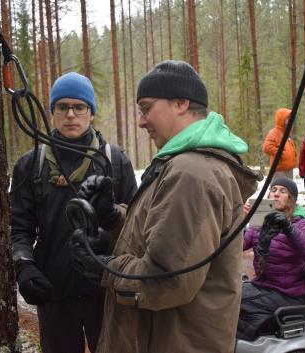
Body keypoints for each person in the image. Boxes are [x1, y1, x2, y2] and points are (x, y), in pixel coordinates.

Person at [69, 60, 263, 353]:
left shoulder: (192, 173)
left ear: (181, 103)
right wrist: (113, 217)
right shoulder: (184, 164)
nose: (141, 121)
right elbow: (168, 239)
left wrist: (104, 267)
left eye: (146, 108)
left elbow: (168, 280)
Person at [10, 72, 137, 353]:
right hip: (53, 294)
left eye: (79, 107)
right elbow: (18, 229)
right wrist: (24, 266)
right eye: (62, 107)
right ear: (52, 112)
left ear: (91, 113)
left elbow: (137, 229)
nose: (71, 114)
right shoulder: (31, 164)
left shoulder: (115, 160)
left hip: (106, 292)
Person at [237, 177, 305, 341]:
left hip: (289, 295)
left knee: (232, 300)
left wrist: (289, 228)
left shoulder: (303, 224)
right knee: (226, 293)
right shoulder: (261, 218)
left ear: (291, 199)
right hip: (262, 287)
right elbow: (239, 245)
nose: (276, 194)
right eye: (274, 190)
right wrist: (241, 220)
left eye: (283, 191)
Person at [262, 108, 297, 179]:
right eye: (287, 118)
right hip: (279, 169)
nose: (290, 120)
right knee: (279, 188)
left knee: (287, 189)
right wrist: (281, 153)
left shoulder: (286, 132)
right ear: (282, 119)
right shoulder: (274, 132)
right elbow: (266, 147)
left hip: (289, 169)